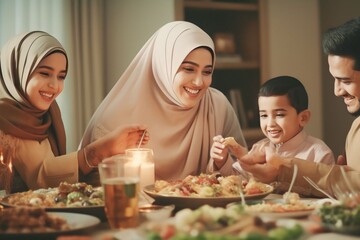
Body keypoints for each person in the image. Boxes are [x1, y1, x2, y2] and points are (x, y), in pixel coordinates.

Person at [238, 16, 360, 196]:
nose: (337, 91)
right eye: (334, 79)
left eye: (345, 80)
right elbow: (348, 188)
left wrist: (283, 169)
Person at [79, 21, 246, 181]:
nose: (199, 82)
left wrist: (222, 162)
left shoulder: (217, 106)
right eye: (189, 69)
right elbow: (97, 189)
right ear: (163, 65)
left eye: (207, 71)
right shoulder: (115, 117)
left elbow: (246, 176)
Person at [0, 31, 148, 193]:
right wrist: (98, 151)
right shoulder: (5, 118)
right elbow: (40, 178)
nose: (54, 85)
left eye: (61, 76)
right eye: (44, 73)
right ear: (17, 70)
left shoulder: (47, 113)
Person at [211, 76, 335, 182]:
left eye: (280, 115)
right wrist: (222, 160)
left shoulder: (320, 154)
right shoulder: (259, 148)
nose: (270, 124)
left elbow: (326, 192)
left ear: (303, 118)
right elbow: (238, 180)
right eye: (264, 115)